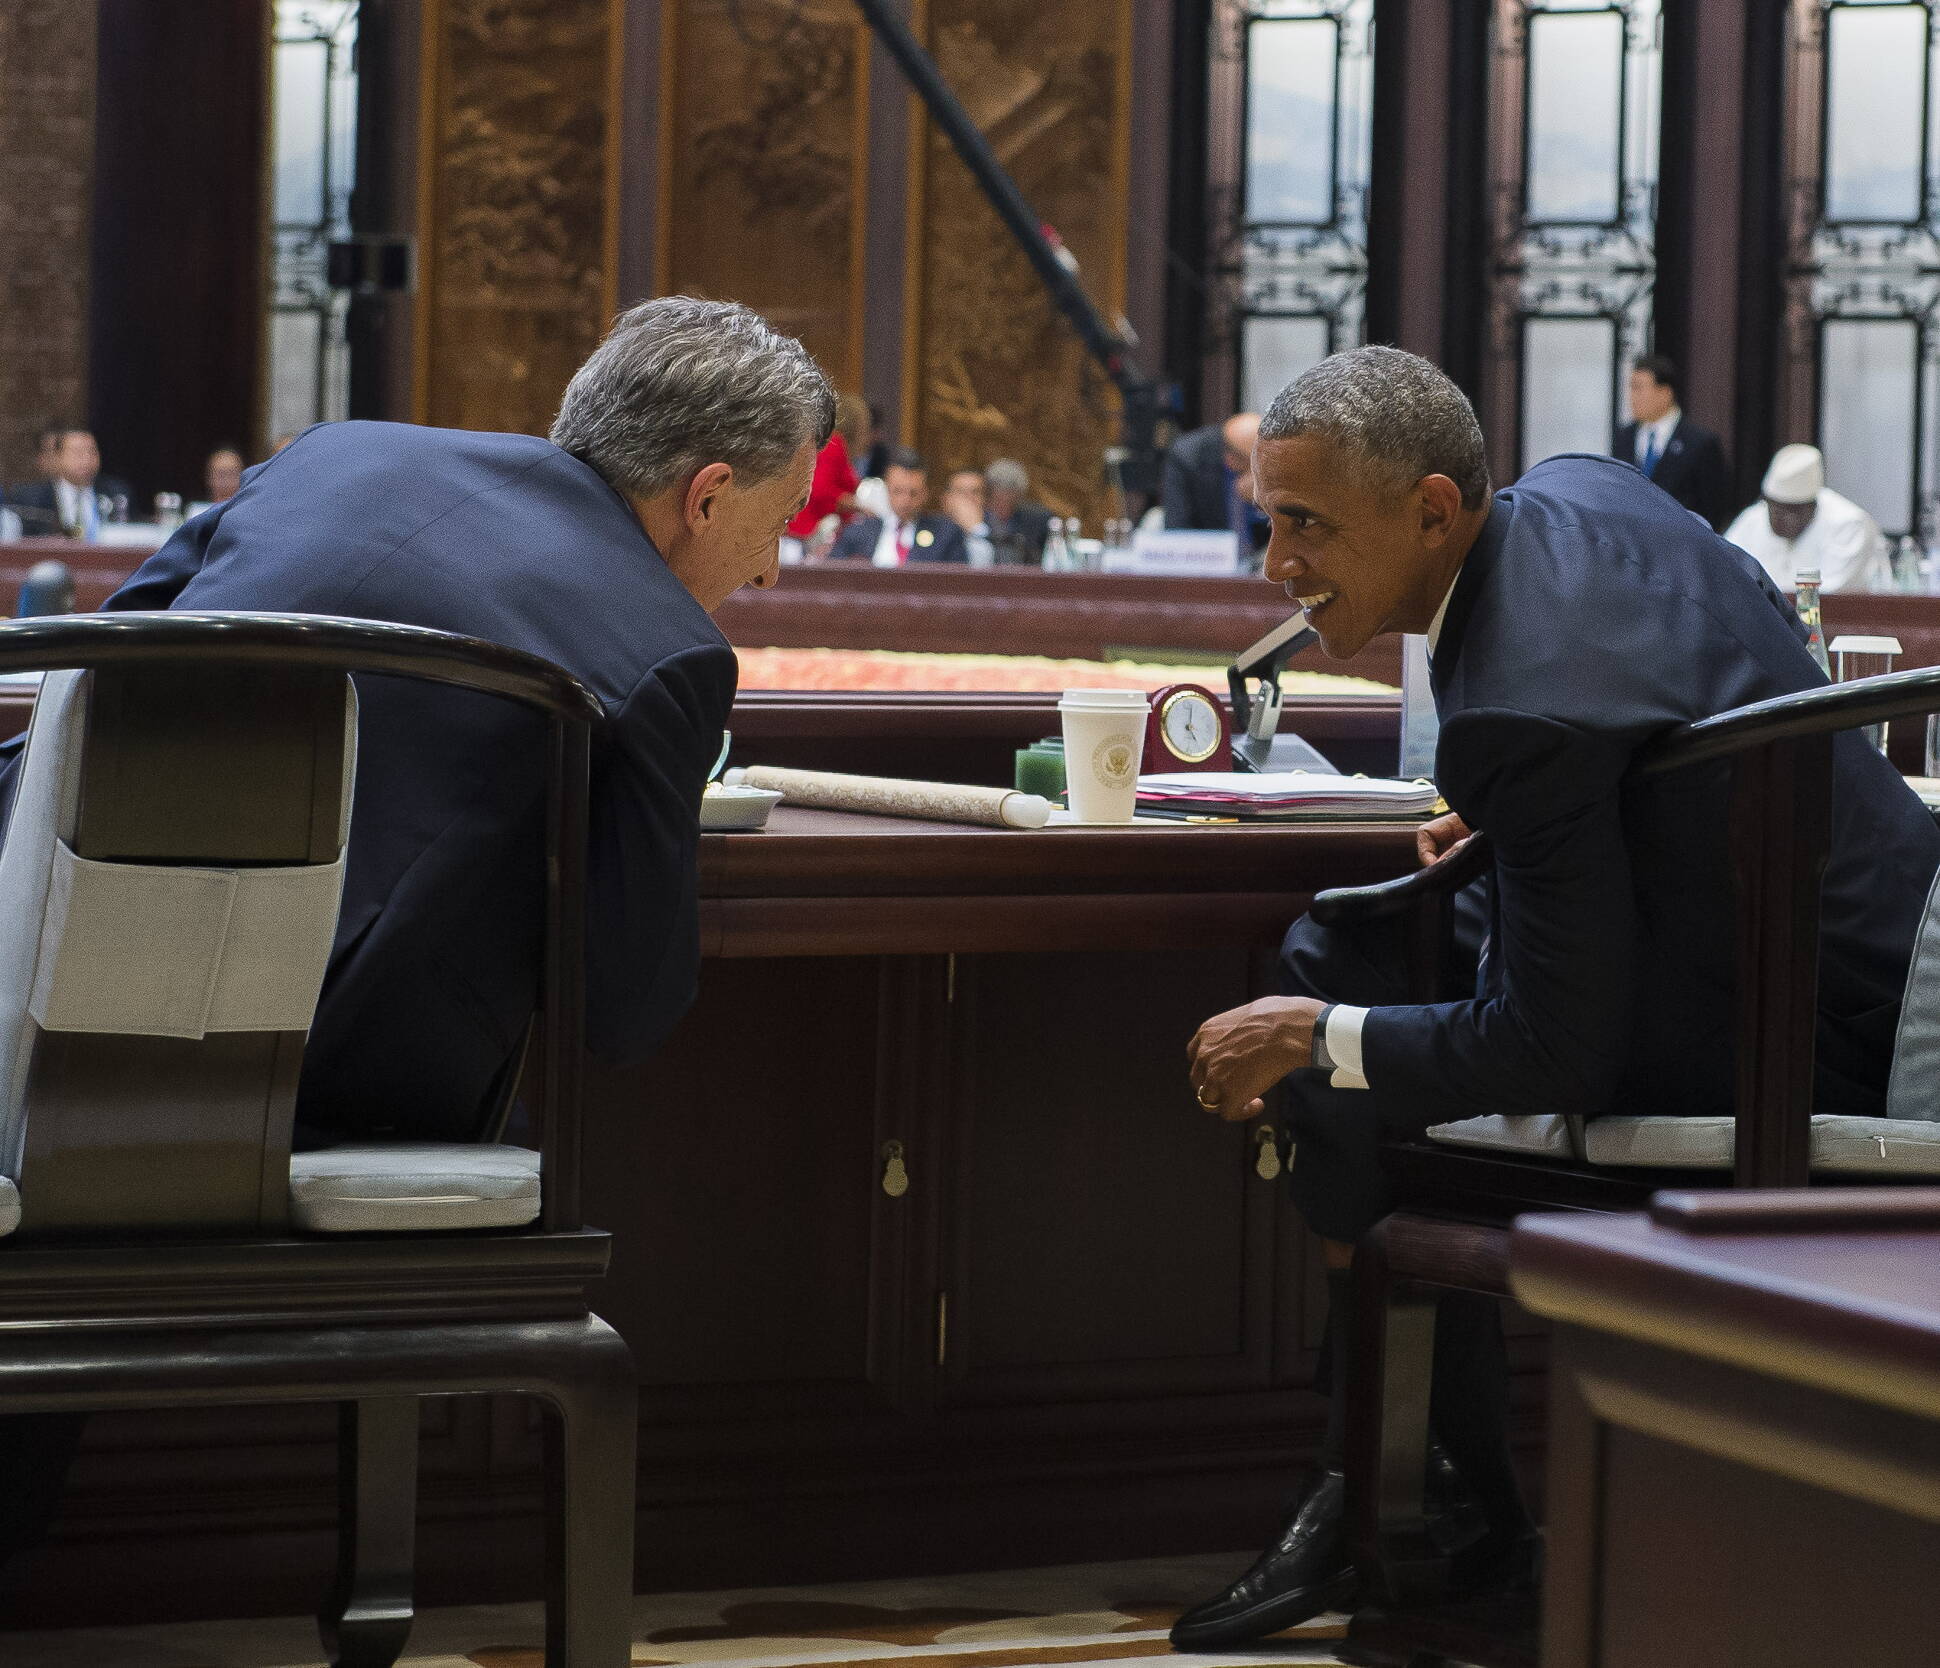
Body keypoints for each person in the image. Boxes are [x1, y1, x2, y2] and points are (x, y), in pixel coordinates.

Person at [1169, 347, 1940, 1647]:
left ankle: (1397, 1497)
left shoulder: (1519, 706)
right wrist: (1555, 803)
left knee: (1327, 1029)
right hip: (1855, 944)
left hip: (1798, 1043)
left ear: (1430, 509)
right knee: (1339, 954)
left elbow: (1557, 1049)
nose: (1273, 569)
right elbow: (1702, 654)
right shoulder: (1590, 486)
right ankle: (1414, 1493)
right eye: (1267, 522)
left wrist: (1317, 1044)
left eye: (1303, 526)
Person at [95, 295, 832, 1143]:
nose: (771, 571)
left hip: (48, 994)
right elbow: (624, 1013)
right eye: (778, 524)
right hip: (312, 1091)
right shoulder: (669, 654)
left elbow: (98, 666)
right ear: (707, 496)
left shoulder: (332, 454)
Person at [1724, 442, 1892, 593]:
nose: (1785, 519)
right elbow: (1724, 573)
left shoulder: (1848, 524)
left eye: (1794, 510)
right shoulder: (1752, 520)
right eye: (1776, 509)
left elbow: (1831, 597)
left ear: (1813, 504)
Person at [1614, 355, 1734, 530]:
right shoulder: (1624, 437)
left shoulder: (1699, 444)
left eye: (1639, 388)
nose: (1632, 396)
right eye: (1631, 388)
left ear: (1665, 393)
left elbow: (1713, 509)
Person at [827, 448, 968, 565]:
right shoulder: (858, 531)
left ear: (925, 493)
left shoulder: (946, 534)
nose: (905, 500)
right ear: (887, 489)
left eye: (913, 493)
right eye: (898, 491)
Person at [1161, 413, 1270, 553]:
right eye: (1255, 462)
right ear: (1231, 459)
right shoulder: (1188, 458)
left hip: (1261, 563)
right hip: (1206, 561)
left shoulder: (1273, 461)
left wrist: (1264, 502)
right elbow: (1176, 532)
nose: (1263, 467)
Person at [782, 393, 867, 563]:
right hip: (805, 531)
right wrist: (856, 505)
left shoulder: (833, 445)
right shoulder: (834, 444)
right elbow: (819, 489)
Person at [5, 429, 130, 539]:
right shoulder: (30, 498)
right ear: (57, 457)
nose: (87, 460)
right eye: (78, 453)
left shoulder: (117, 493)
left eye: (92, 452)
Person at [983, 458, 1052, 563]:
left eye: (1009, 497)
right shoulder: (975, 517)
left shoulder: (1037, 520)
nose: (1003, 502)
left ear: (1019, 496)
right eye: (997, 498)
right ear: (989, 493)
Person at [941, 468, 996, 567]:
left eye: (975, 492)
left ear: (985, 500)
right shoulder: (932, 530)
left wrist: (977, 529)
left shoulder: (999, 529)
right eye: (961, 492)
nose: (969, 498)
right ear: (946, 499)